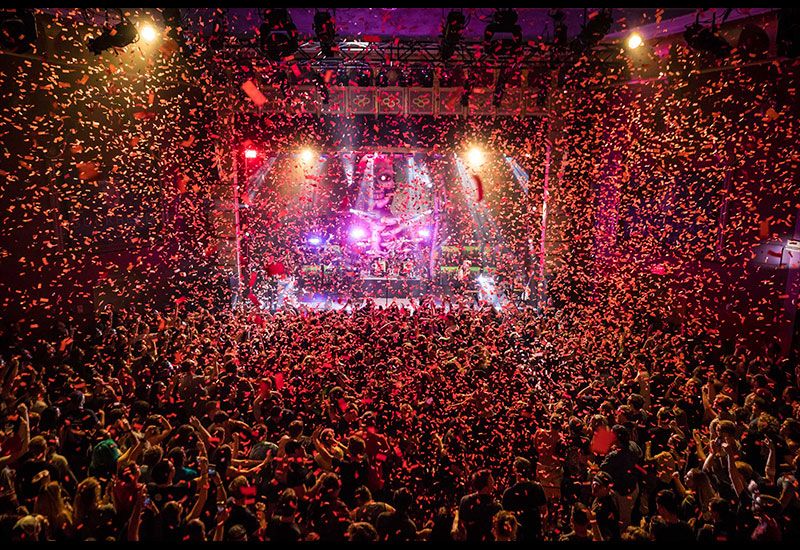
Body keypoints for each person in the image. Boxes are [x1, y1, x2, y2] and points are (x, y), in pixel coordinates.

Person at [501, 457, 547, 541]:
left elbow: (505, 517)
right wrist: (543, 530)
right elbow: (544, 512)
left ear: (515, 471)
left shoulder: (509, 493)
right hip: (535, 532)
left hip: (516, 535)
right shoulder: (537, 488)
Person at [458, 469, 502, 542]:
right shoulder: (496, 507)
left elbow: (461, 526)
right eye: (491, 480)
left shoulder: (465, 501)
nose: (494, 482)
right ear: (486, 487)